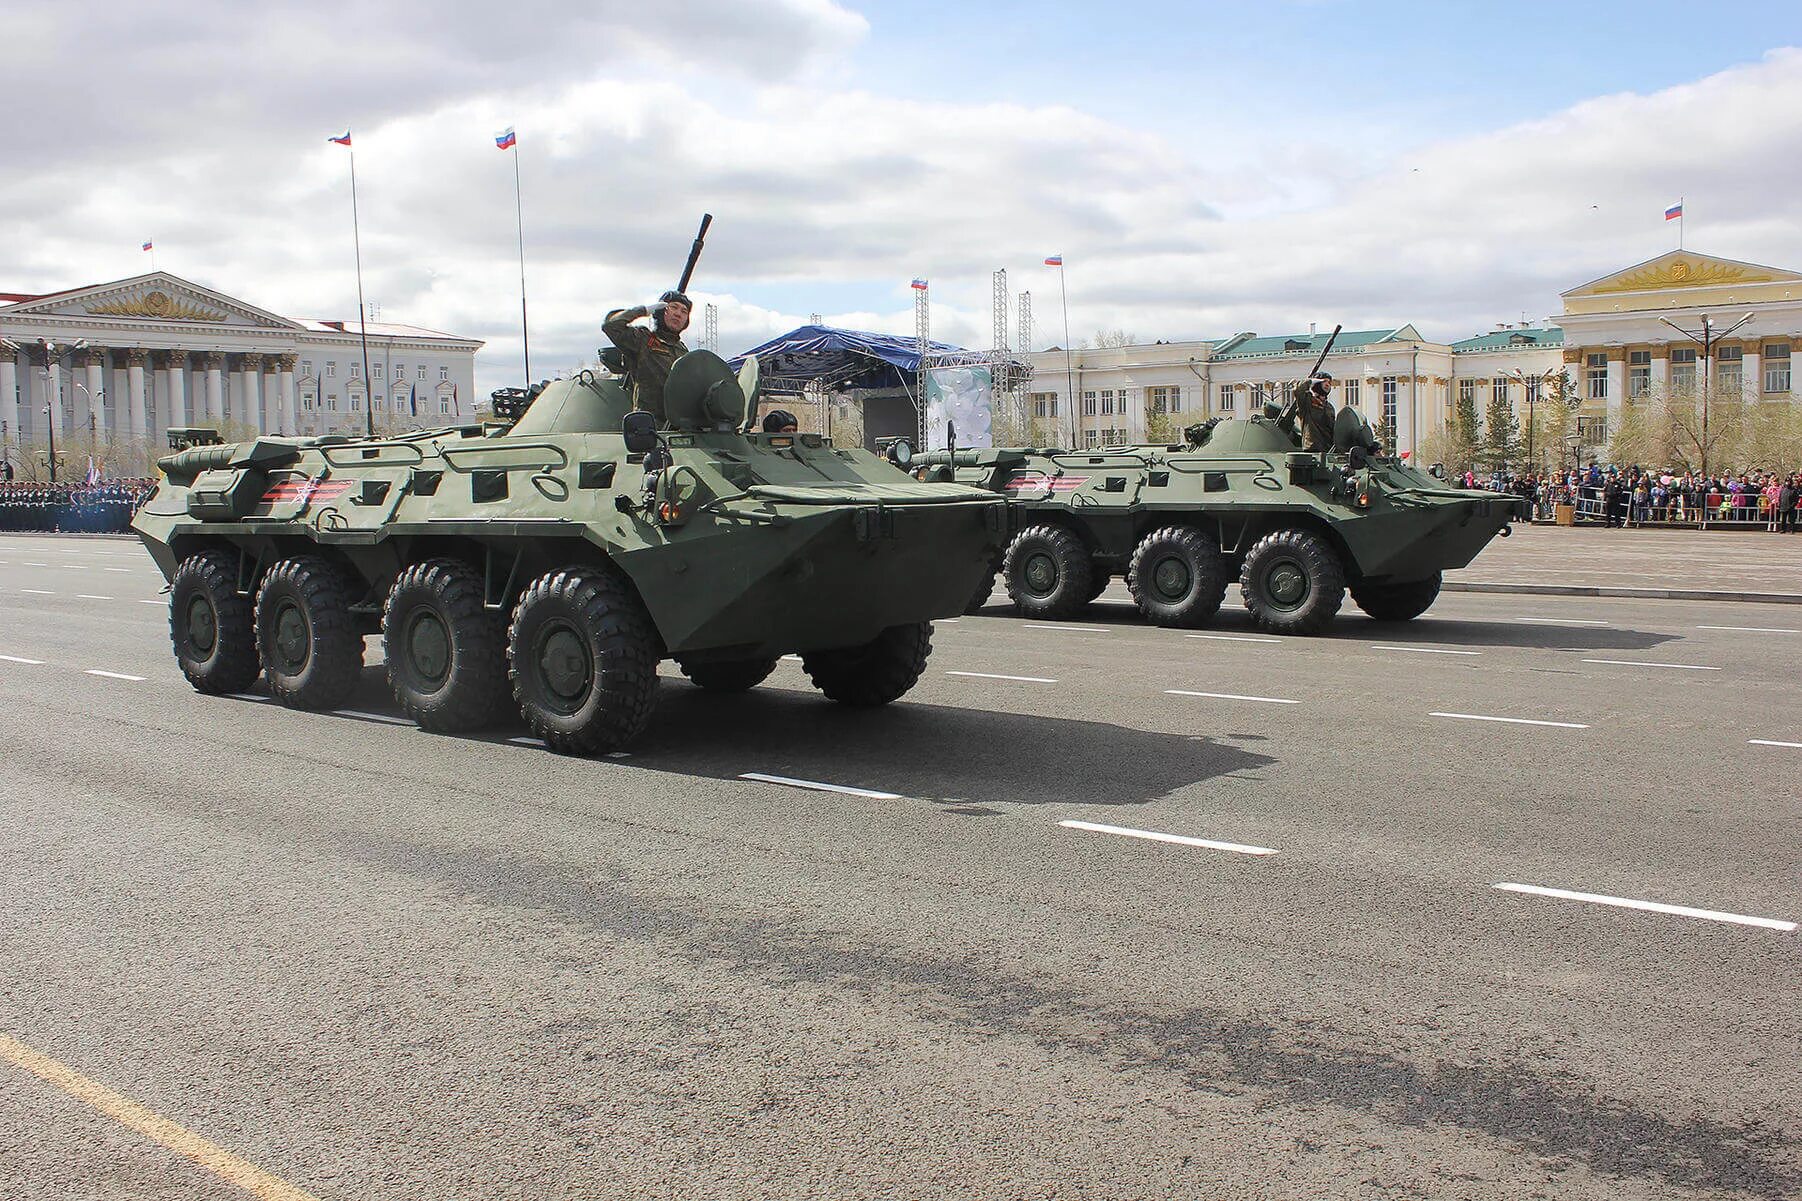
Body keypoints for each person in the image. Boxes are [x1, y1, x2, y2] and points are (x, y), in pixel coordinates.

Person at [602, 289, 692, 424]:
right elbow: (611, 326)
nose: (678, 314)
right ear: (661, 310)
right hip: (649, 425)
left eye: (684, 311)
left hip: (679, 424)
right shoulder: (642, 339)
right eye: (673, 307)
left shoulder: (683, 350)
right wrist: (643, 310)